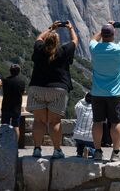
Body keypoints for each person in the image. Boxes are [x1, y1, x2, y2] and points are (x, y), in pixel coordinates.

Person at [28, 21, 77, 159]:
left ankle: (37, 149)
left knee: (39, 121)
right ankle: (57, 150)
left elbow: (38, 38)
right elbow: (75, 40)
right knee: (55, 121)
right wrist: (70, 28)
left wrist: (51, 27)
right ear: (57, 42)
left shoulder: (39, 48)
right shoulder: (64, 51)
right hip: (58, 89)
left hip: (37, 87)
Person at [90, 22, 120, 162]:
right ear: (113, 34)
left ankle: (97, 151)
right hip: (115, 94)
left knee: (97, 122)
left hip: (97, 92)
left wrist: (103, 28)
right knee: (115, 123)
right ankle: (115, 153)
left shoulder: (94, 48)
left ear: (103, 35)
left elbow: (93, 39)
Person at [0, 64, 26, 141]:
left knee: (4, 126)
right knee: (16, 126)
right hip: (16, 107)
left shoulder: (5, 80)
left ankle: (4, 144)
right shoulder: (21, 82)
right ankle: (15, 145)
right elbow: (23, 92)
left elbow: (0, 86)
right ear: (19, 72)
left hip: (6, 106)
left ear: (10, 71)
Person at [73, 92, 95, 158]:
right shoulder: (96, 108)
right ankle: (90, 150)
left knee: (80, 142)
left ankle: (79, 152)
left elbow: (77, 106)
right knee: (94, 147)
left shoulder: (79, 105)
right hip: (90, 137)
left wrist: (85, 96)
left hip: (77, 135)